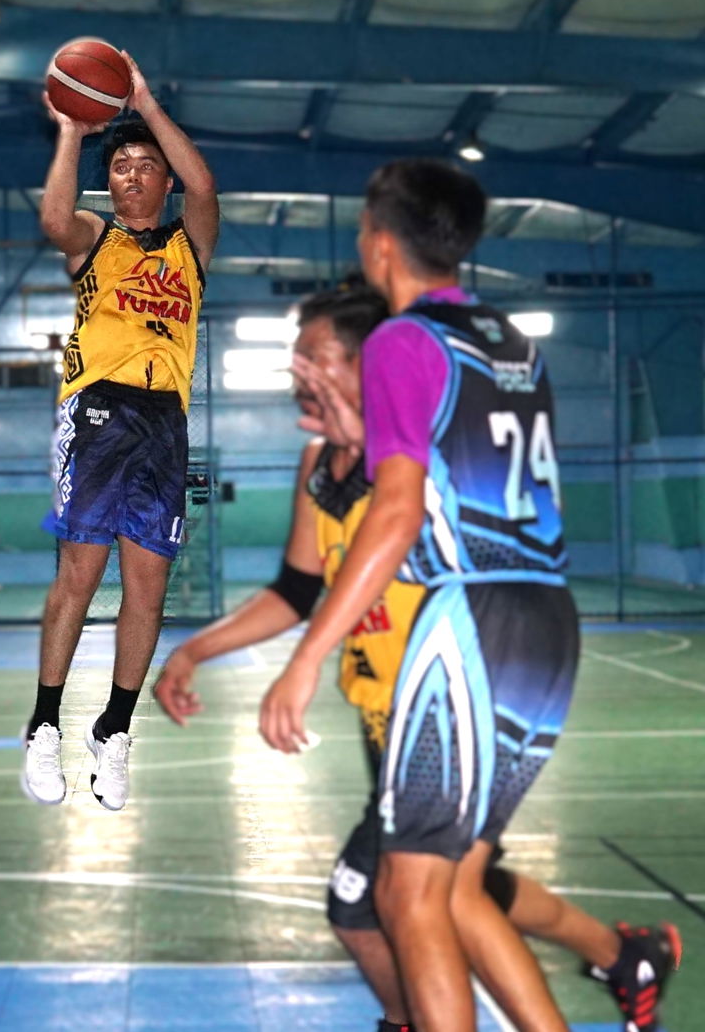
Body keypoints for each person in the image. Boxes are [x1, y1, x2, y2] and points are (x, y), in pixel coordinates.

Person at [156, 284, 680, 1032]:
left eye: (314, 354)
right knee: (457, 887)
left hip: (455, 704)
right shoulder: (319, 463)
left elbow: (429, 516)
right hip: (388, 720)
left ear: (367, 363)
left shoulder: (418, 458)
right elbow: (297, 588)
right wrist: (195, 650)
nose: (299, 369)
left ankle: (425, 1016)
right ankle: (625, 953)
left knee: (374, 899)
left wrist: (303, 662)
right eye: (295, 356)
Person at [259, 160, 588, 1032]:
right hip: (549, 621)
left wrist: (305, 658)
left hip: (471, 619)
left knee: (407, 895)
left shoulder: (401, 342)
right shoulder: (514, 341)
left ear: (378, 243)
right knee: (455, 886)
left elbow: (399, 510)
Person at [23, 54, 219, 811]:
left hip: (165, 423)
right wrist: (72, 132)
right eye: (122, 166)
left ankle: (114, 729)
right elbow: (53, 221)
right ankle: (45, 724)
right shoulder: (95, 240)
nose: (133, 174)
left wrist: (145, 103)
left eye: (146, 165)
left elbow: (205, 188)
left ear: (164, 180)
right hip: (99, 412)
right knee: (81, 571)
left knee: (149, 588)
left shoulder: (188, 248)